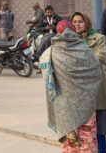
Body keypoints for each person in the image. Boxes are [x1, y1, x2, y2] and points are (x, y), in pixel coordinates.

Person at [39, 20, 102, 152]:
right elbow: (96, 73)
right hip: (87, 104)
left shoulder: (51, 53)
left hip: (64, 107)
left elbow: (48, 80)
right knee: (87, 141)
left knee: (70, 144)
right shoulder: (85, 49)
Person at [72, 12, 106, 153]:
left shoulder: (98, 38)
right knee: (79, 129)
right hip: (77, 92)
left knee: (101, 128)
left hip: (97, 90)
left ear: (87, 23)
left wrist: (79, 61)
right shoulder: (69, 40)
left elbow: (101, 57)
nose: (77, 24)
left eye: (80, 21)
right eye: (74, 22)